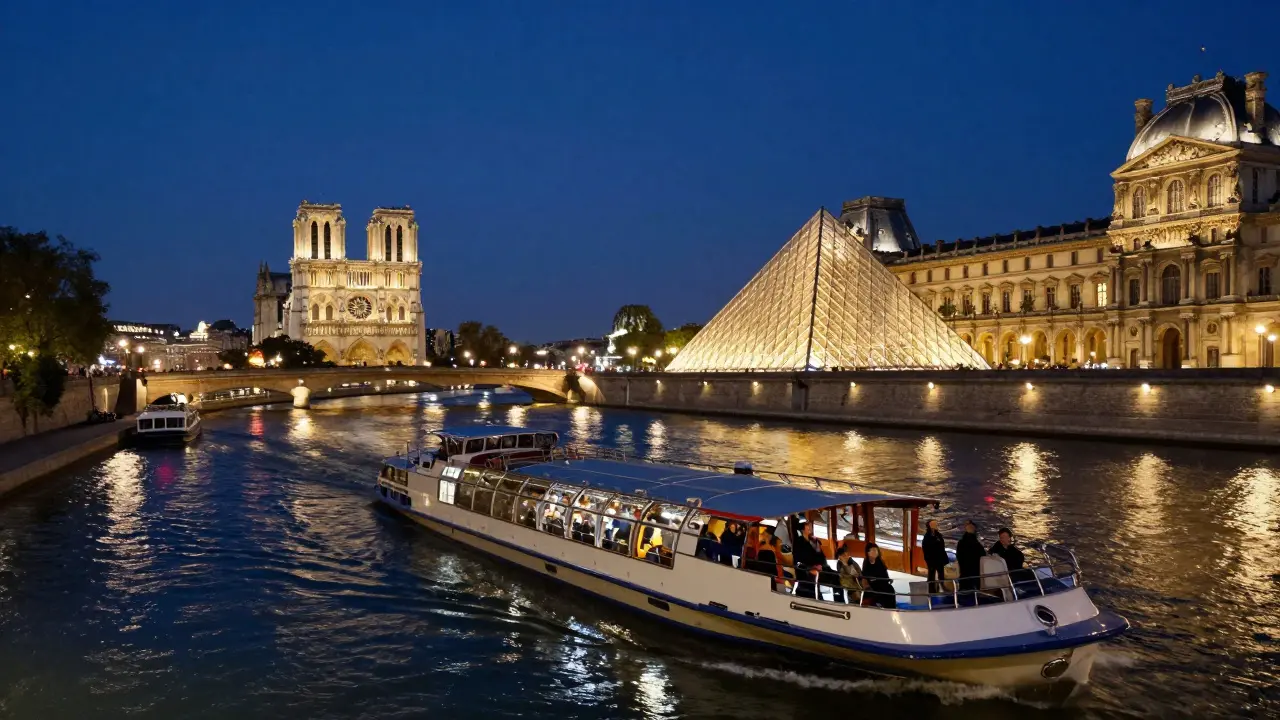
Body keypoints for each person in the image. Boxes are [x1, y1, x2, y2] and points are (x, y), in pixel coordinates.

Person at [956, 520, 986, 598]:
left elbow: (959, 556)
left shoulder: (961, 542)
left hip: (964, 571)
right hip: (974, 571)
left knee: (965, 589)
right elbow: (982, 554)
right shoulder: (976, 543)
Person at [860, 544, 896, 608]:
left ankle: (891, 607)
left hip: (882, 583)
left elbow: (884, 573)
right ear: (868, 553)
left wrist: (888, 579)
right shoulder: (866, 562)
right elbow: (866, 576)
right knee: (884, 591)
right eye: (873, 550)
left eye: (876, 550)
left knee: (890, 589)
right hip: (873, 585)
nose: (875, 552)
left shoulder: (879, 561)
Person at [922, 519, 949, 594]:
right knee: (931, 575)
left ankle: (942, 588)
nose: (936, 525)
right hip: (932, 559)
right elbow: (926, 549)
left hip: (940, 559)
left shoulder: (938, 535)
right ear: (930, 526)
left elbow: (942, 547)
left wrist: (944, 558)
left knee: (941, 574)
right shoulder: (927, 537)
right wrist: (928, 559)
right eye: (934, 524)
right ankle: (931, 590)